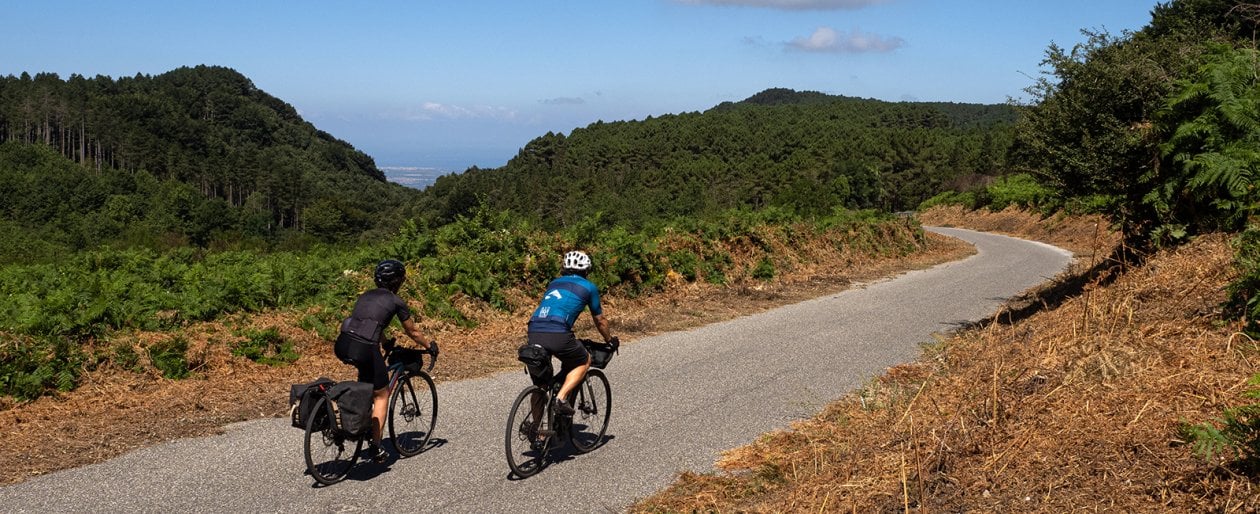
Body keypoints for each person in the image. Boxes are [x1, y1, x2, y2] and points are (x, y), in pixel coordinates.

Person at [334, 259, 437, 463]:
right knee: (381, 395)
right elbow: (412, 331)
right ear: (398, 281)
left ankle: (354, 422)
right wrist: (429, 346)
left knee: (365, 387)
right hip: (365, 347)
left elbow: (369, 323)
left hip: (343, 342)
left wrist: (386, 342)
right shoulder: (396, 301)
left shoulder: (365, 296)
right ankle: (376, 447)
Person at [526, 250, 618, 416]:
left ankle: (538, 435)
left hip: (534, 330)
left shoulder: (554, 283)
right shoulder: (589, 287)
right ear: (586, 270)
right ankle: (560, 398)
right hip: (558, 333)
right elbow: (600, 320)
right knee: (584, 360)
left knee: (540, 385)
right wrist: (610, 340)